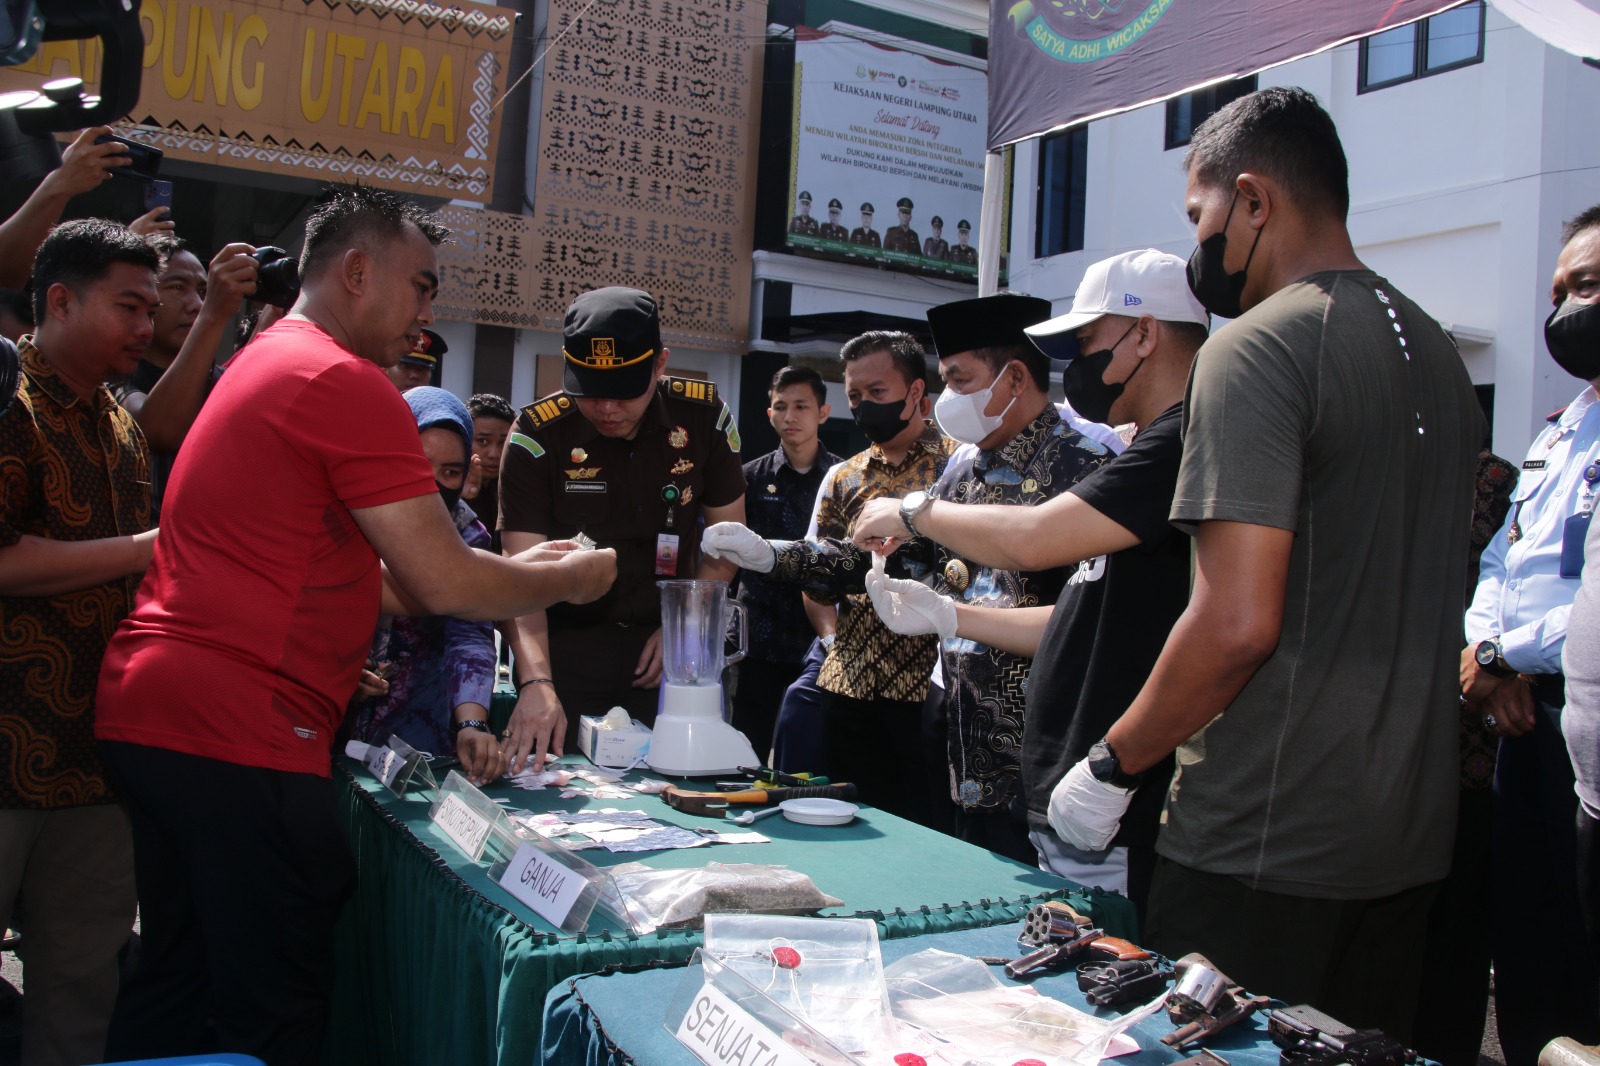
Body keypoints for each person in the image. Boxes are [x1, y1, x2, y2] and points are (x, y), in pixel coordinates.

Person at [93, 183, 616, 1066]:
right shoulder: (342, 380)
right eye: (420, 285)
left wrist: (519, 573)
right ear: (359, 272)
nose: (427, 311)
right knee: (272, 1002)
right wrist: (570, 577)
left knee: (179, 983)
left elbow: (367, 580)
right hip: (239, 725)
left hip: (162, 712)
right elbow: (441, 578)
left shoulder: (267, 358)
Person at [1046, 87, 1481, 1038]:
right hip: (1404, 840)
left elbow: (1237, 622)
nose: (1200, 243)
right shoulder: (1441, 355)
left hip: (1262, 843)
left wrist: (1113, 763)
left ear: (1252, 201)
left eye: (1199, 216)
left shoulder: (1254, 346)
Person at [853, 250, 1208, 914]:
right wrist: (942, 614)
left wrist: (912, 513)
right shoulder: (963, 472)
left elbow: (1040, 546)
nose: (1082, 363)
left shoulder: (1133, 455)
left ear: (1145, 334)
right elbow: (1079, 606)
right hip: (971, 744)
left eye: (1090, 342)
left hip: (1069, 763)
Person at [0, 219, 160, 1066]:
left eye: (152, 307)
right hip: (5, 749)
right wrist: (140, 552)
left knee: (81, 985)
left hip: (95, 762)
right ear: (59, 300)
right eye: (128, 305)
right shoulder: (6, 403)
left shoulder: (124, 429)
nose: (146, 326)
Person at [704, 331, 957, 825]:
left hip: (927, 688)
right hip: (849, 680)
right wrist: (774, 558)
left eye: (877, 393)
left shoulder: (956, 468)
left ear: (915, 394)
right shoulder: (845, 477)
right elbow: (824, 568)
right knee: (836, 816)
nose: (864, 407)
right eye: (855, 397)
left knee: (922, 827)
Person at [498, 286, 746, 771]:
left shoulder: (704, 419)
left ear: (659, 364)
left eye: (625, 389)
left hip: (669, 657)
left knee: (676, 788)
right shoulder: (537, 434)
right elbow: (518, 578)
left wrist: (685, 631)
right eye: (589, 390)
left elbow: (727, 542)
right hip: (565, 650)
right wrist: (535, 683)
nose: (607, 407)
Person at [1464, 204, 1600, 1064]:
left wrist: (1509, 652)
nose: (1564, 310)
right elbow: (1499, 567)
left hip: (1589, 730)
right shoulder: (1561, 430)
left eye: (1586, 285)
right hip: (1521, 720)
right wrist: (1486, 655)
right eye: (1557, 291)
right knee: (1530, 951)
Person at [352, 387, 501, 786]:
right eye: (418, 465)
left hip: (418, 726)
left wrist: (472, 721)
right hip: (328, 716)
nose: (431, 485)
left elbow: (470, 632)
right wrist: (339, 672)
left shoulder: (467, 536)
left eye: (449, 473)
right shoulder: (350, 517)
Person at [729, 366, 839, 761]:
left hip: (822, 641)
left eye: (801, 406)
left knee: (813, 754)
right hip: (759, 641)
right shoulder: (749, 479)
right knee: (747, 752)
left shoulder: (843, 478)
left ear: (823, 413)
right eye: (781, 406)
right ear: (769, 414)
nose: (790, 416)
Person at [113, 237, 259, 520]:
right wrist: (213, 315)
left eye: (204, 291)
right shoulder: (114, 376)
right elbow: (160, 429)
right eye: (177, 287)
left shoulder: (225, 382)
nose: (196, 304)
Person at [466, 392, 515, 555]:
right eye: (483, 441)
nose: (494, 454)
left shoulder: (518, 486)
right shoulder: (447, 489)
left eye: (503, 442)